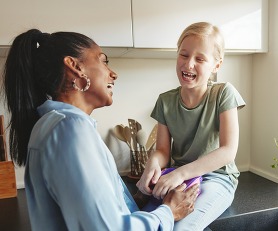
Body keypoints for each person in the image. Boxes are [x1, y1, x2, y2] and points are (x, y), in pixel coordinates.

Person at [2, 29, 199, 231]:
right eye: (103, 61)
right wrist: (168, 211)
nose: (113, 73)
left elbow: (91, 214)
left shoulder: (53, 125)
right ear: (75, 66)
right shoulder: (69, 130)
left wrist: (136, 200)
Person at [136, 22, 246, 231]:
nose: (188, 65)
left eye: (200, 59)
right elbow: (162, 151)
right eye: (184, 55)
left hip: (217, 178)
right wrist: (153, 164)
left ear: (216, 65)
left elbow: (227, 152)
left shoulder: (223, 93)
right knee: (150, 222)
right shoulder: (165, 101)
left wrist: (180, 174)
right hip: (179, 176)